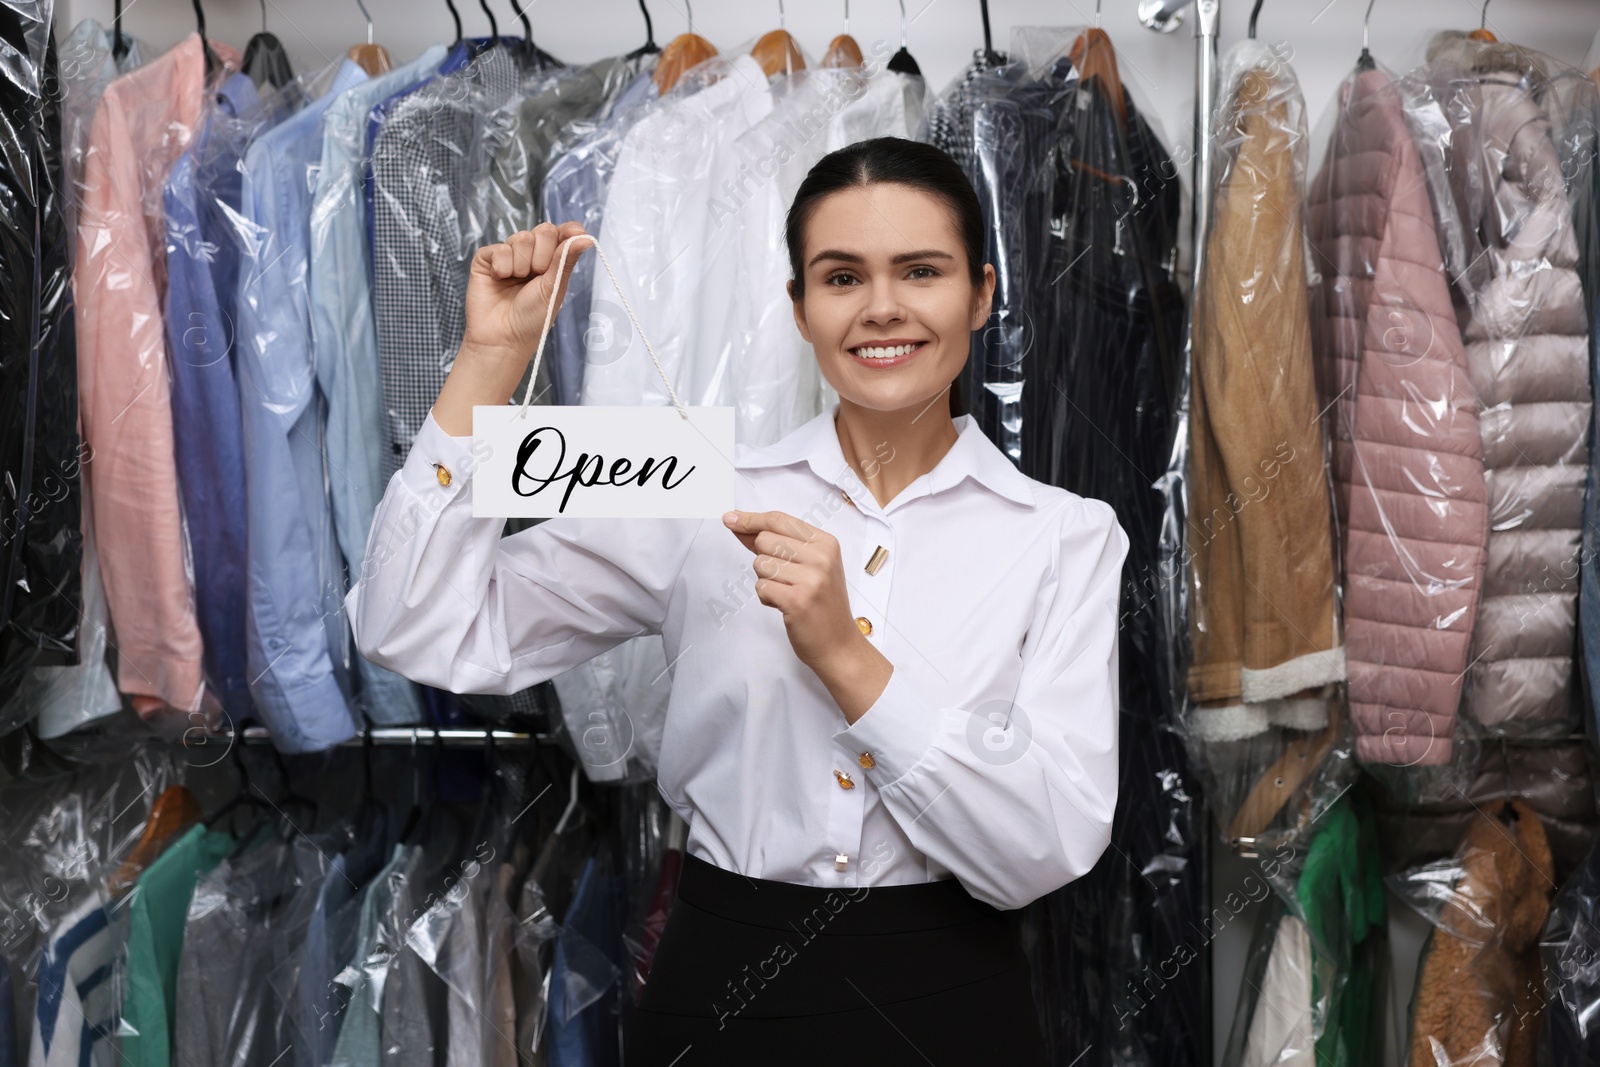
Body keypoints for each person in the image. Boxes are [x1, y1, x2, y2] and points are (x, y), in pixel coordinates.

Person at [348, 136, 1128, 1064]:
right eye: (841, 278)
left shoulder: (1066, 535)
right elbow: (411, 624)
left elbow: (1044, 848)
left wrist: (847, 658)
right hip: (719, 998)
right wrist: (489, 364)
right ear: (798, 309)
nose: (882, 307)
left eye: (920, 271)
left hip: (957, 1006)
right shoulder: (693, 480)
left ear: (982, 293)